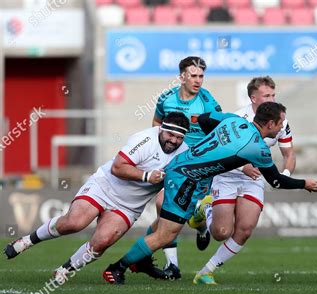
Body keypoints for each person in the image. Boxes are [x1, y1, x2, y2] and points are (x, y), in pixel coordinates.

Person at [102, 102, 317, 285]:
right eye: (281, 122)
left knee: (166, 227)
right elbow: (276, 180)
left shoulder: (234, 121)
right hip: (185, 180)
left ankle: (139, 260)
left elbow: (206, 118)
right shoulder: (258, 147)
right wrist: (305, 183)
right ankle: (117, 268)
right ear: (271, 123)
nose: (282, 126)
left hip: (182, 168)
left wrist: (216, 141)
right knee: (166, 234)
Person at [4, 112, 190, 284]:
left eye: (179, 137)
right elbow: (118, 167)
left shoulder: (185, 153)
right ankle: (28, 240)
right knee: (75, 222)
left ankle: (64, 271)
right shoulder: (144, 140)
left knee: (101, 242)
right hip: (104, 186)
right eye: (170, 135)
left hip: (129, 207)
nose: (173, 141)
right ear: (161, 129)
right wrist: (147, 176)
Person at [189, 76, 296, 285]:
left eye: (273, 94)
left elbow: (289, 154)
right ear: (253, 98)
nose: (271, 99)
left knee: (245, 229)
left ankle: (206, 272)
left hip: (253, 179)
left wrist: (285, 177)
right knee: (221, 232)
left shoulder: (279, 120)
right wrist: (242, 165)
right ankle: (205, 208)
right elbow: (219, 149)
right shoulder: (238, 118)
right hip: (227, 175)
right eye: (267, 95)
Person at [129, 56, 223, 280]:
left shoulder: (208, 103)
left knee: (189, 214)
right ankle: (173, 265)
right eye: (193, 75)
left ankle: (200, 227)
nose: (198, 80)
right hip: (174, 166)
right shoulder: (165, 99)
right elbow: (156, 125)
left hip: (198, 169)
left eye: (201, 76)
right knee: (163, 205)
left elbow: (220, 134)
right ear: (182, 77)